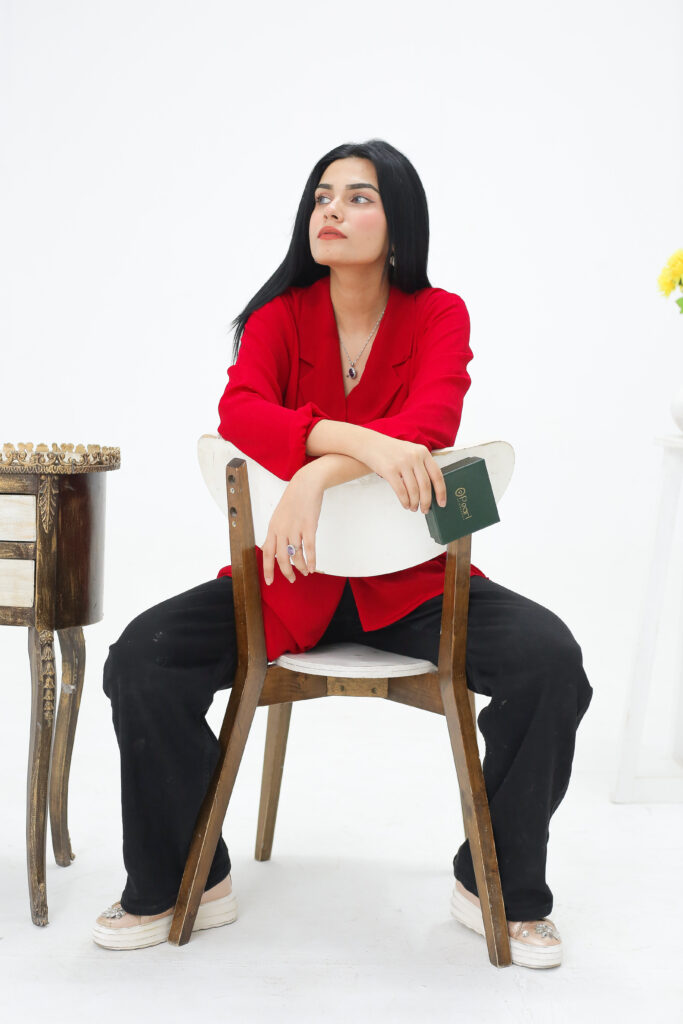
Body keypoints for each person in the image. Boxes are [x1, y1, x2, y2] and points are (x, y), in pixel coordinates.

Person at [93, 139, 593, 967]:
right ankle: (186, 874)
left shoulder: (439, 314)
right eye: (323, 195)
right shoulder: (276, 317)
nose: (332, 209)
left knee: (551, 664)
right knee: (140, 661)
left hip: (418, 587)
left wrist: (314, 471)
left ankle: (496, 880)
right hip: (291, 581)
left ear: (397, 222)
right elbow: (240, 413)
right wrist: (345, 447)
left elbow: (430, 427)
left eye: (358, 197)